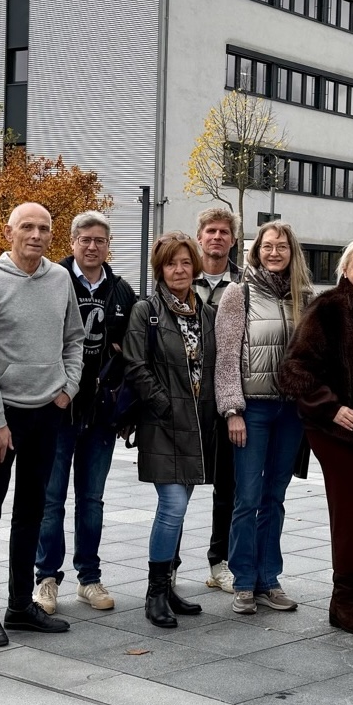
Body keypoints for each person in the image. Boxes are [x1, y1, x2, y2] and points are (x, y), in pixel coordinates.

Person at [0, 202, 85, 648]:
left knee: (32, 509)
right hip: (2, 416)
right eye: (27, 227)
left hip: (46, 413)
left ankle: (19, 605)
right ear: (9, 230)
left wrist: (67, 389)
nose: (36, 234)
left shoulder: (59, 279)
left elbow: (75, 339)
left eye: (44, 228)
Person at [280, 238, 353, 636]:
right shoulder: (328, 308)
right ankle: (341, 600)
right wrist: (330, 406)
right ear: (344, 270)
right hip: (336, 432)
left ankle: (352, 592)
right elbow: (295, 368)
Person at [33, 211, 135, 616]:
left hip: (101, 414)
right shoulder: (53, 281)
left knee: (91, 500)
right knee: (51, 499)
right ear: (72, 242)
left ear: (108, 246)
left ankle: (88, 578)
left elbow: (133, 349)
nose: (92, 246)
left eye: (100, 240)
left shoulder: (122, 291)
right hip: (58, 409)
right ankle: (46, 578)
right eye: (85, 239)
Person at [215, 220, 313, 615]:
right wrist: (232, 409)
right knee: (247, 498)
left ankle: (268, 579)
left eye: (282, 247)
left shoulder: (304, 296)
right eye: (267, 246)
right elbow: (225, 357)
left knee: (275, 496)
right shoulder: (238, 293)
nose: (275, 252)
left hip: (290, 411)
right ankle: (242, 582)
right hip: (252, 410)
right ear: (256, 251)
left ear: (293, 253)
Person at [122, 231, 217, 628]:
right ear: (159, 269)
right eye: (170, 263)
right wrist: (163, 404)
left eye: (184, 262)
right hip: (162, 423)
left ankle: (169, 585)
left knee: (178, 511)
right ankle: (155, 592)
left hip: (198, 424)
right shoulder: (148, 311)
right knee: (171, 507)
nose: (179, 269)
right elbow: (134, 364)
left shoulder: (206, 312)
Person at [192, 207, 242, 594]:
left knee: (227, 486)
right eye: (210, 231)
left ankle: (218, 560)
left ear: (233, 239)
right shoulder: (179, 279)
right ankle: (169, 566)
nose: (217, 237)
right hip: (187, 401)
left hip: (227, 399)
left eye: (224, 232)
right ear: (199, 237)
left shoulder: (243, 286)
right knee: (177, 488)